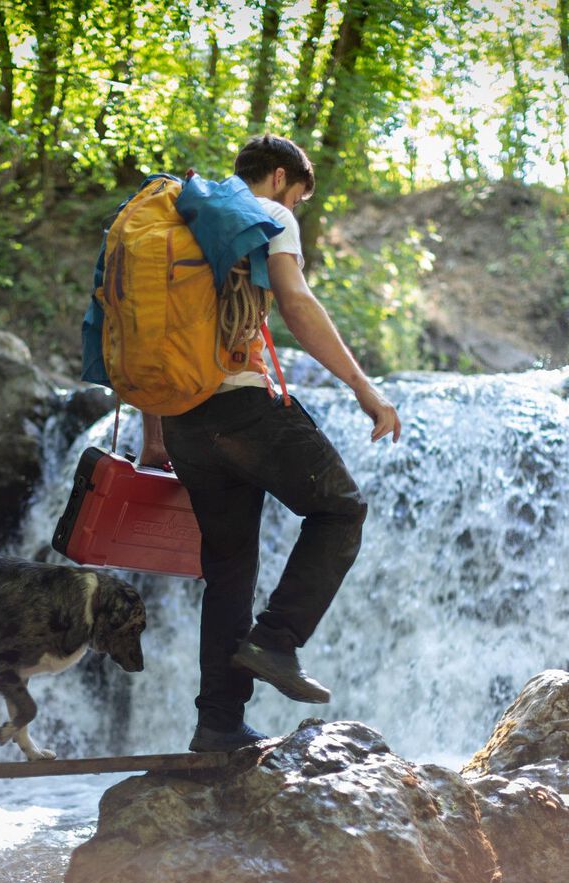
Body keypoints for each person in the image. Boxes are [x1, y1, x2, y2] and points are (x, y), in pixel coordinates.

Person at [138, 134, 402, 753]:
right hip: (242, 408)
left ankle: (218, 724)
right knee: (341, 509)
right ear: (282, 178)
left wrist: (155, 436)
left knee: (229, 570)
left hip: (182, 419)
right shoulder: (270, 213)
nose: (297, 210)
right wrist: (366, 388)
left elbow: (146, 333)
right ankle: (277, 639)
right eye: (301, 198)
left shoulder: (179, 226)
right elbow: (297, 303)